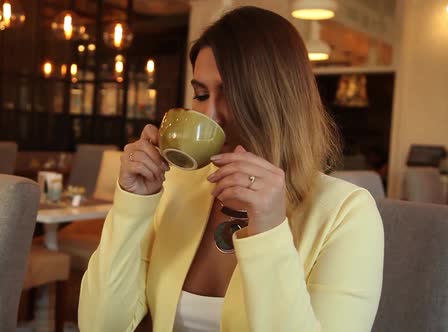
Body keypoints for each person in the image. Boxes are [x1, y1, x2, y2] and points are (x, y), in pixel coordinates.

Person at [79, 6, 383, 332]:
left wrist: (268, 231)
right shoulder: (178, 187)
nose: (207, 114)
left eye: (229, 95)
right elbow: (100, 325)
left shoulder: (347, 214)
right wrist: (133, 205)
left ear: (277, 100)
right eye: (200, 94)